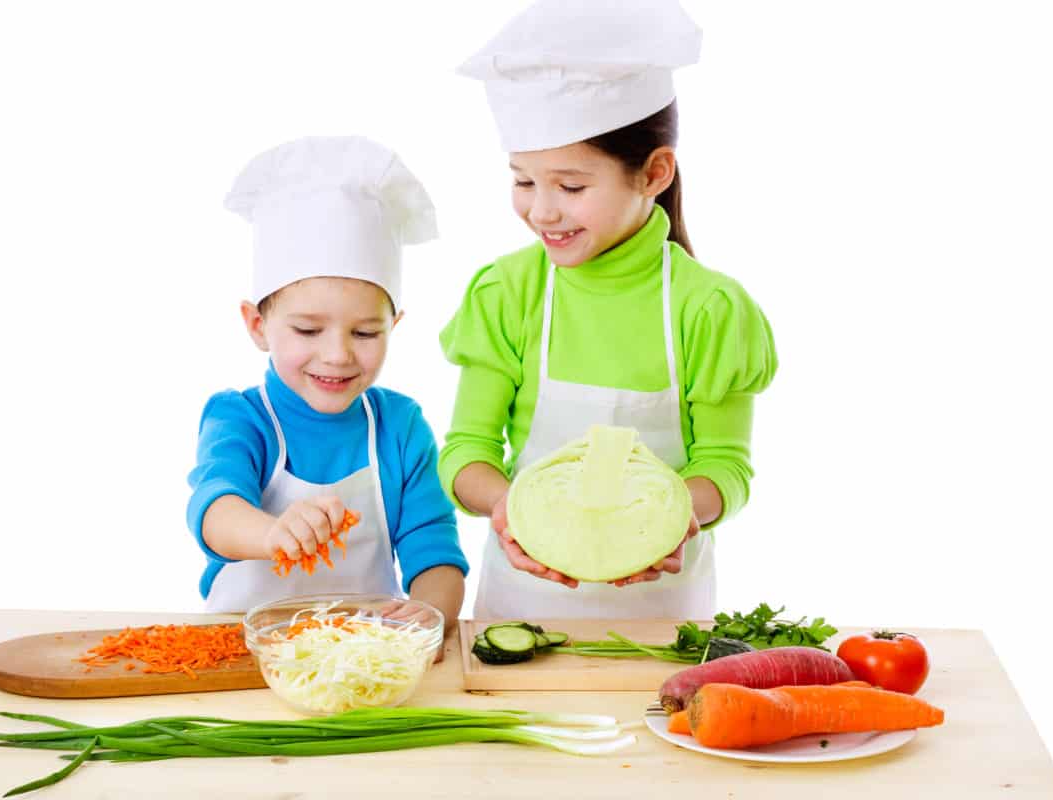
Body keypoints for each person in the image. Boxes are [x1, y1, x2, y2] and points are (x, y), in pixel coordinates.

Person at [440, 0, 777, 619]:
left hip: (663, 613)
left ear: (653, 173)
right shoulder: (505, 291)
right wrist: (506, 507)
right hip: (521, 603)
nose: (542, 211)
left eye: (570, 187)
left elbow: (725, 466)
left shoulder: (710, 307)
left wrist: (676, 518)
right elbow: (467, 449)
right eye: (523, 181)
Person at [187, 136, 468, 627]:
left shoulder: (399, 426)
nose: (337, 355)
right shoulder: (240, 417)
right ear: (257, 325)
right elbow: (216, 510)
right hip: (240, 651)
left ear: (394, 327)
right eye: (308, 330)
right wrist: (273, 533)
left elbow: (435, 550)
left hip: (364, 657)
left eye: (365, 332)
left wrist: (430, 614)